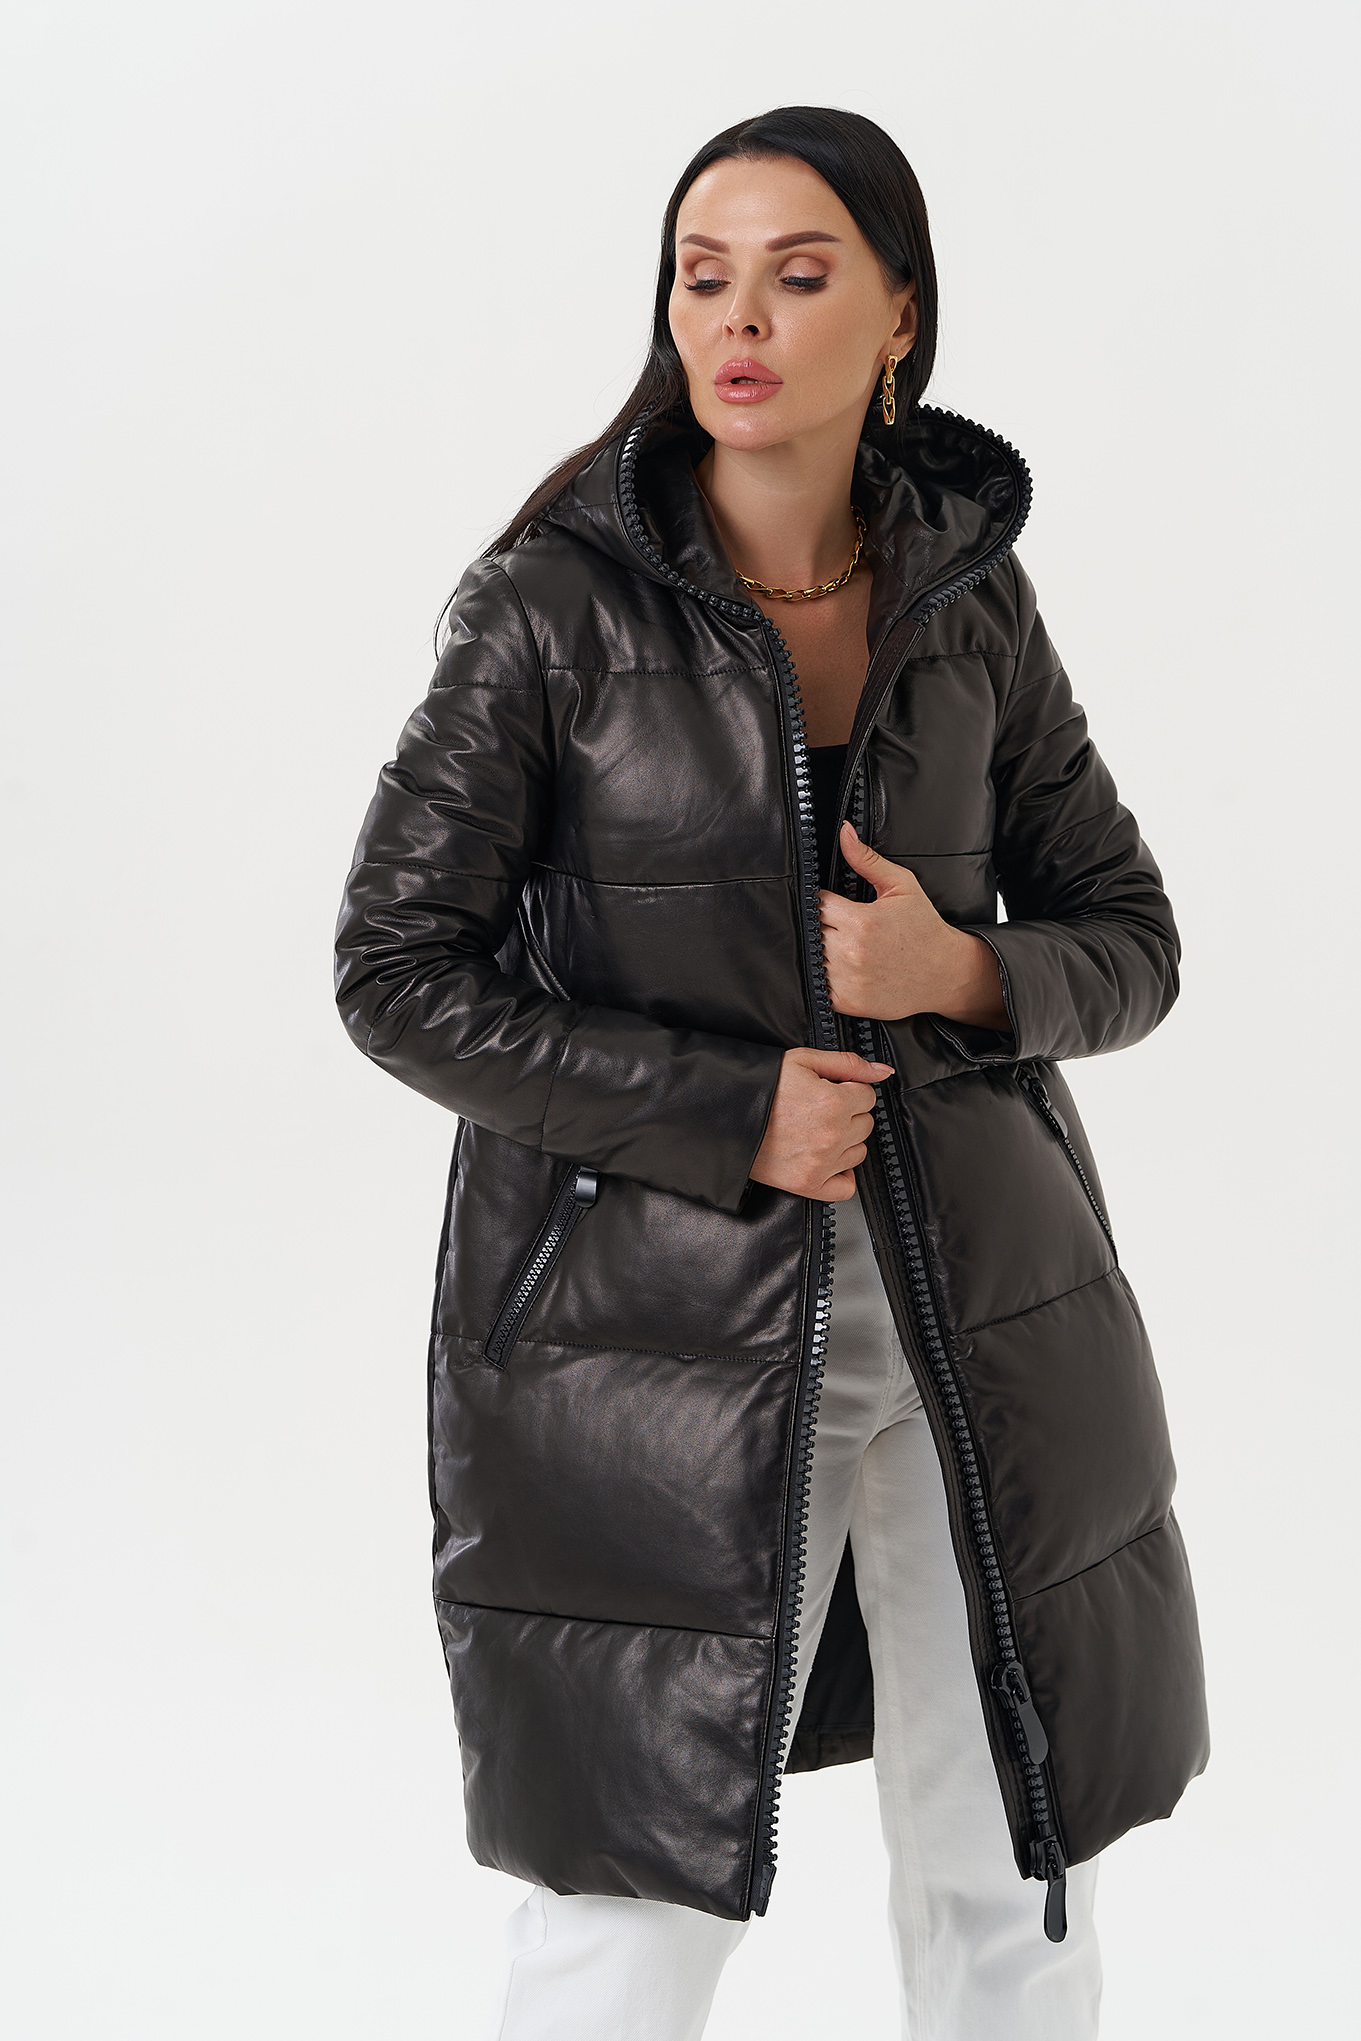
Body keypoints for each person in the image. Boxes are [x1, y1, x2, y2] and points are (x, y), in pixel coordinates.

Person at [334, 105, 1209, 2041]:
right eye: (702, 275)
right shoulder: (549, 608)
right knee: (627, 1906)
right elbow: (395, 975)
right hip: (658, 1344)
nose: (737, 318)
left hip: (990, 1326)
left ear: (897, 317)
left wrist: (956, 968)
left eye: (798, 276)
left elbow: (1131, 937)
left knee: (1013, 1872)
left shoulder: (967, 598)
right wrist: (731, 1110)